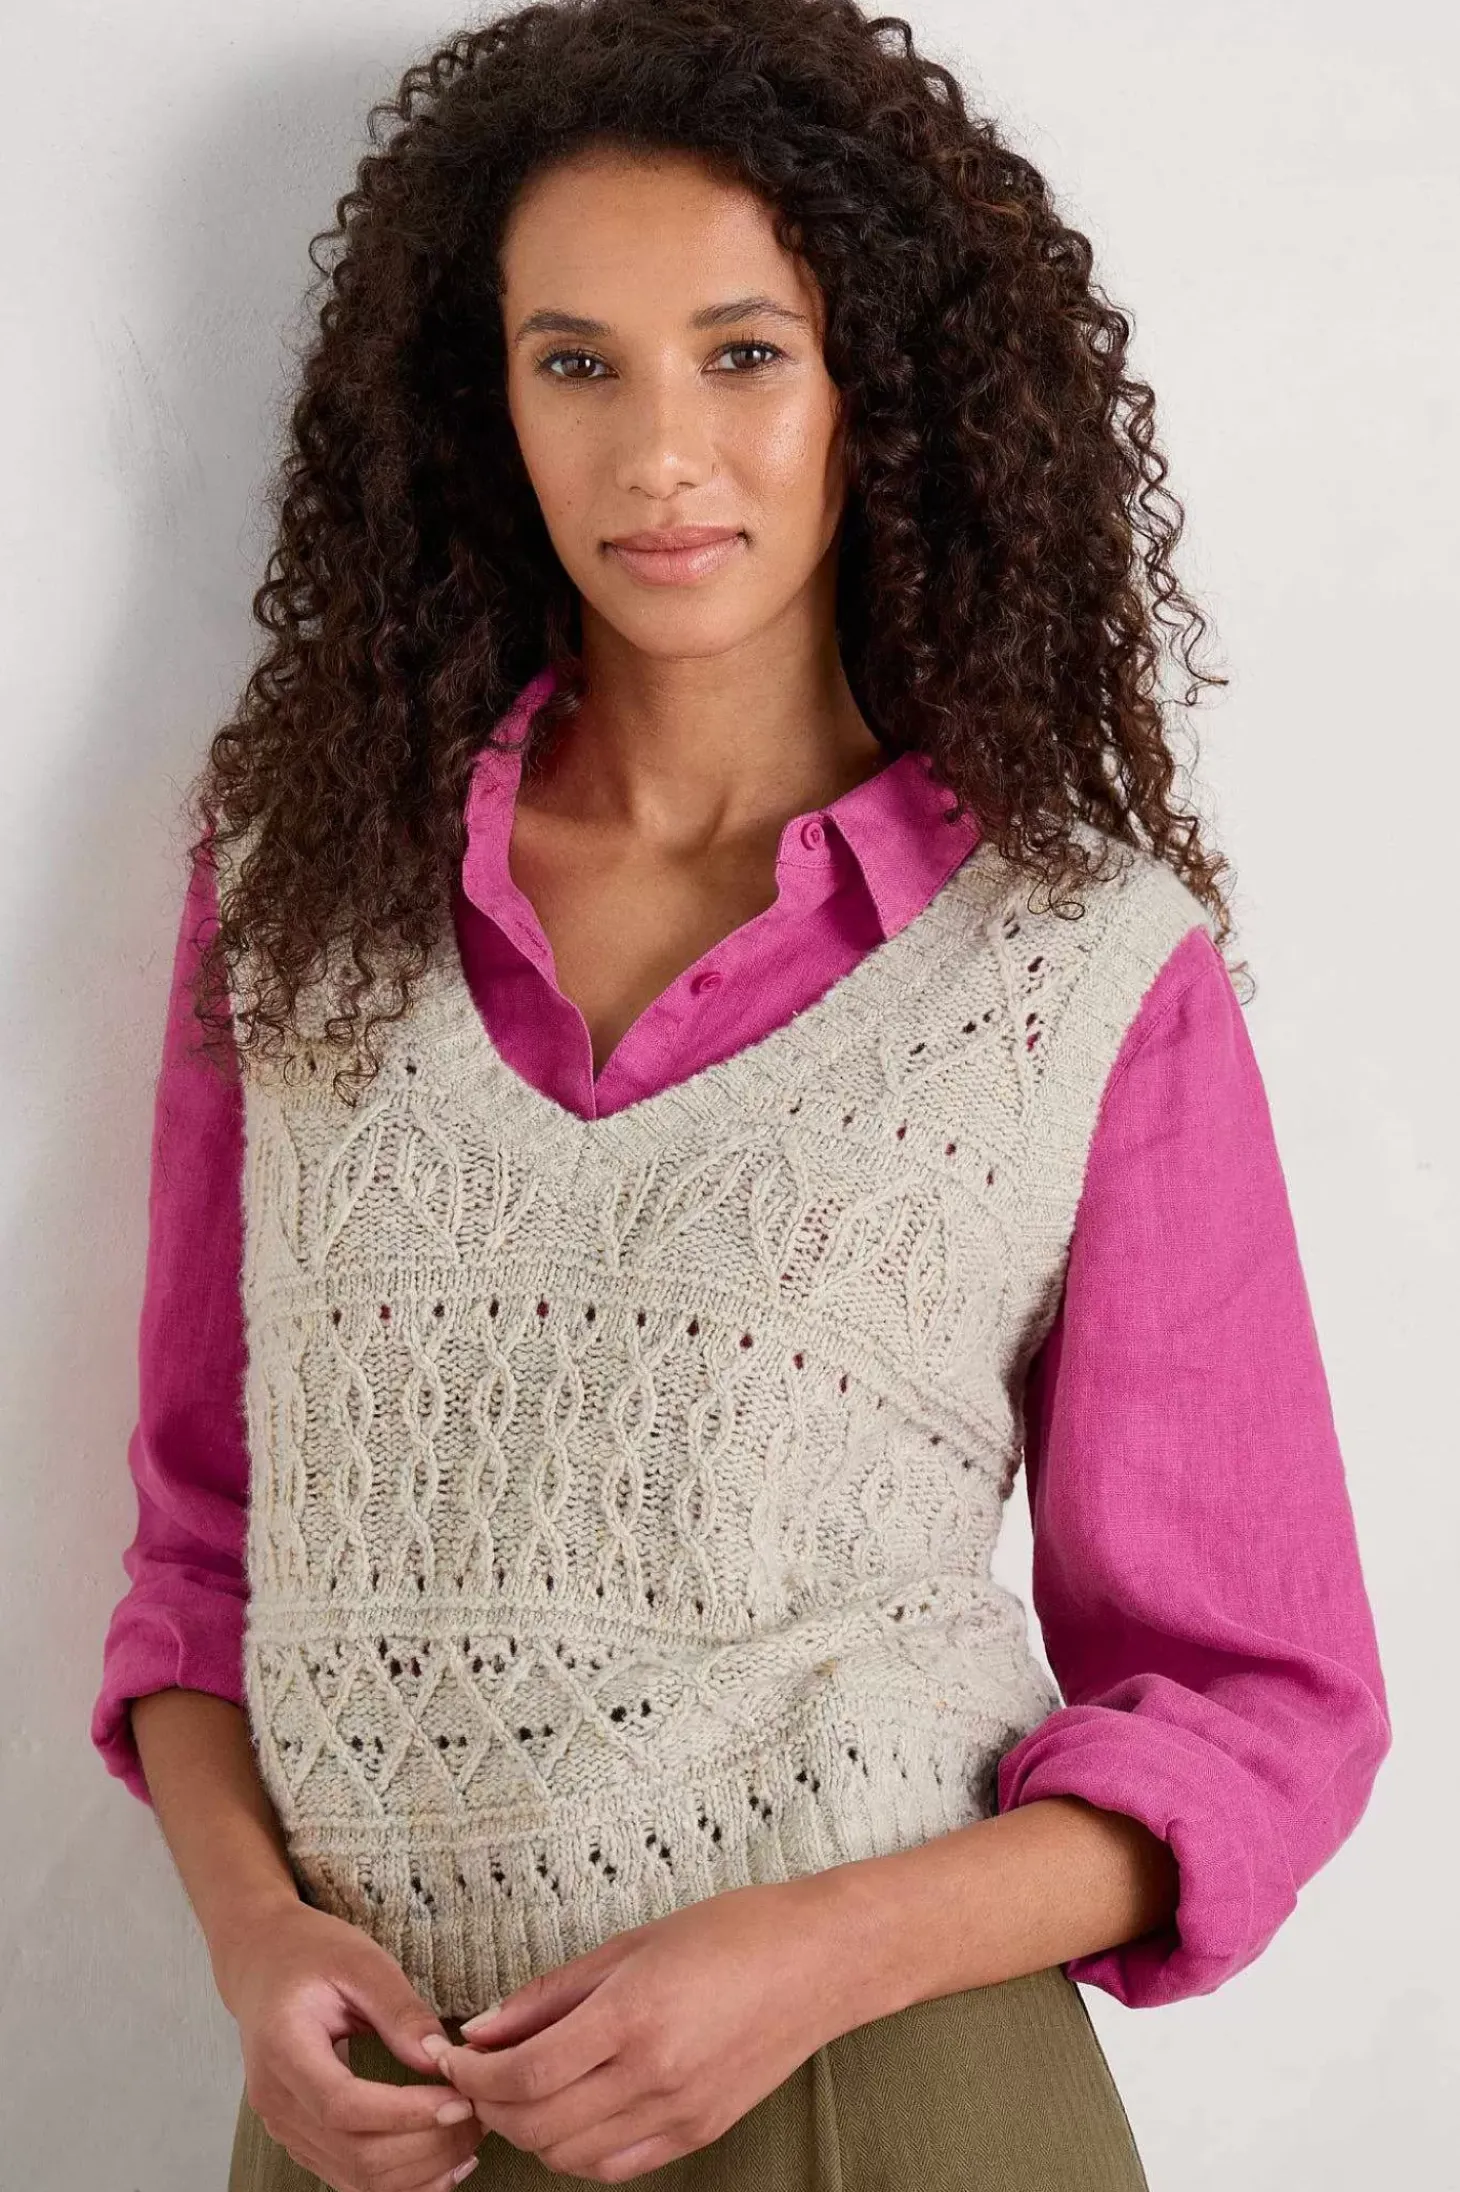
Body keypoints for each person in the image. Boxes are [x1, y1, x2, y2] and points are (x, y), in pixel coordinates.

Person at [90, 2, 1393, 2187]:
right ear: (484, 398)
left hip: (873, 2092)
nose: (657, 453)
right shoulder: (305, 892)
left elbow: (1260, 1701)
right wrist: (252, 1936)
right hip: (375, 2116)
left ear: (878, 388)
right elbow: (208, 1541)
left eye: (744, 354)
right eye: (575, 362)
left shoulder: (1073, 968)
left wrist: (809, 1955)